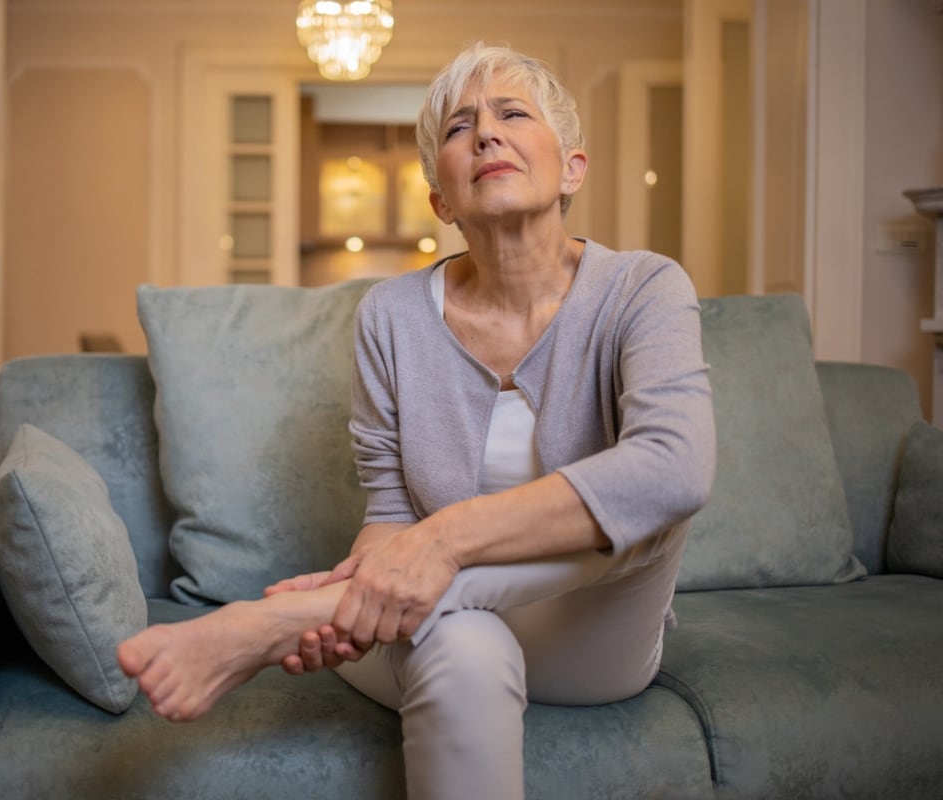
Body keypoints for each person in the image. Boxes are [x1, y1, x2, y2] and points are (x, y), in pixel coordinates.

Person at [118, 41, 716, 800]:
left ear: (572, 167)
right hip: (433, 622)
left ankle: (282, 620)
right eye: (460, 127)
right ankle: (339, 609)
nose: (487, 134)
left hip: (595, 634)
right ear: (442, 198)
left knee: (645, 509)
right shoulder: (392, 316)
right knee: (460, 643)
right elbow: (392, 515)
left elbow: (675, 468)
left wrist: (439, 542)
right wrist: (383, 575)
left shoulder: (643, 288)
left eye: (511, 114)